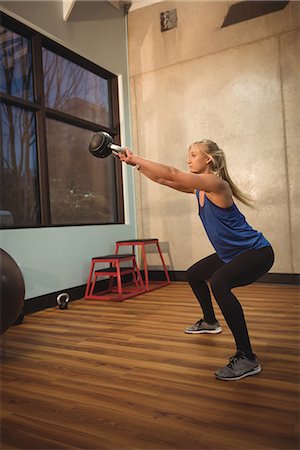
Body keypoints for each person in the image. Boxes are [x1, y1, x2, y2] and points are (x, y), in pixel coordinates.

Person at [118, 140, 274, 381]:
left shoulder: (215, 183)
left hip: (256, 252)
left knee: (220, 283)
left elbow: (172, 173)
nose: (188, 159)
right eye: (188, 155)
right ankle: (210, 322)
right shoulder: (200, 189)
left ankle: (247, 357)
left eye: (193, 155)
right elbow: (164, 179)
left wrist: (136, 156)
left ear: (208, 159)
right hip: (232, 254)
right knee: (194, 274)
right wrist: (134, 165)